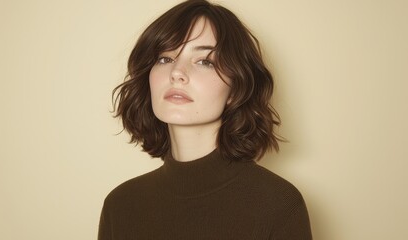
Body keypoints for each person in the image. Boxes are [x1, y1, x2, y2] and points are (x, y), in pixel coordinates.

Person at [98, 0, 312, 239]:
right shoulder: (120, 205)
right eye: (165, 58)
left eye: (204, 61)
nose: (176, 73)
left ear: (236, 89)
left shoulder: (279, 205)